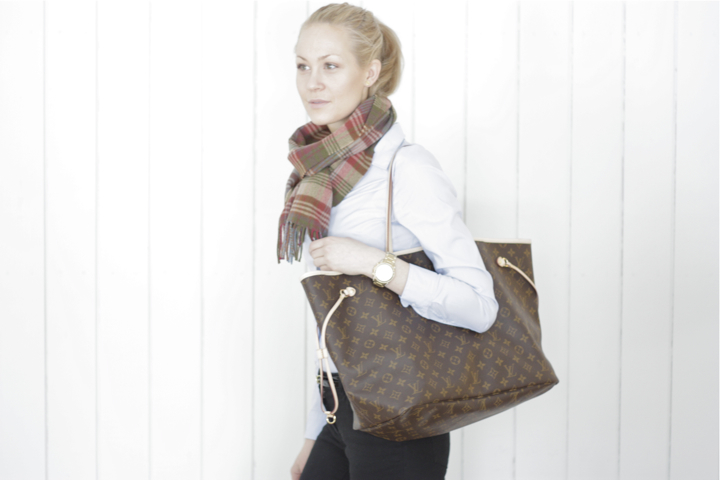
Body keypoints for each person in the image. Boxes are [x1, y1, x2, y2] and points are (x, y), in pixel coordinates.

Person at [277, 3, 499, 479]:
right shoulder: (320, 173)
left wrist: (371, 262)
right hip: (340, 408)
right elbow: (337, 321)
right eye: (302, 66)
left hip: (401, 416)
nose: (312, 82)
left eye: (330, 66)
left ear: (370, 72)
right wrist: (315, 433)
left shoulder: (407, 168)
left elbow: (480, 307)